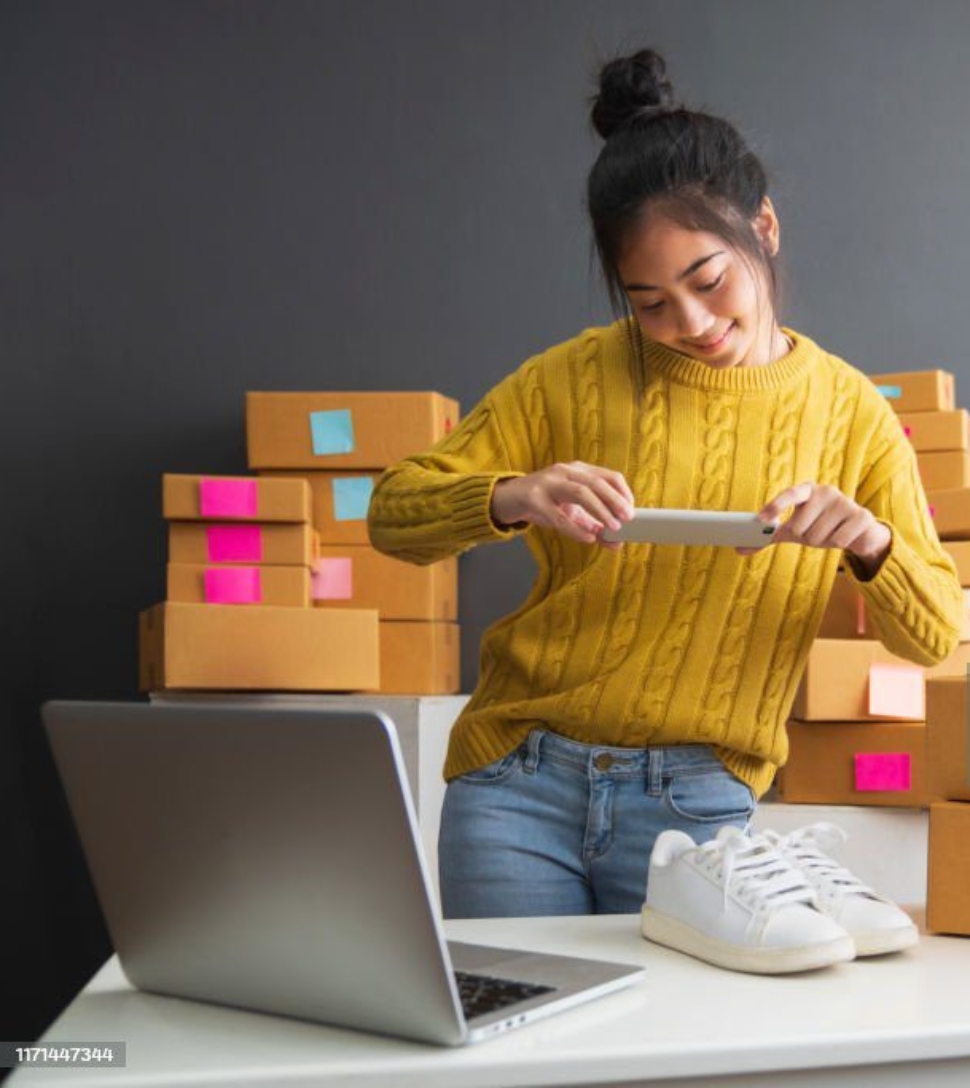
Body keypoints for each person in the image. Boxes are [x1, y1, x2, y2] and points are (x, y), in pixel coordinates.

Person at [366, 47, 963, 919]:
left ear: (763, 228)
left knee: (669, 1055)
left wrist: (869, 543)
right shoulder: (569, 377)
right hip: (516, 783)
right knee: (520, 1048)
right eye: (649, 303)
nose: (690, 324)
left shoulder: (851, 416)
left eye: (708, 281)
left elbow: (938, 633)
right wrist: (514, 494)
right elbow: (392, 515)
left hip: (699, 806)